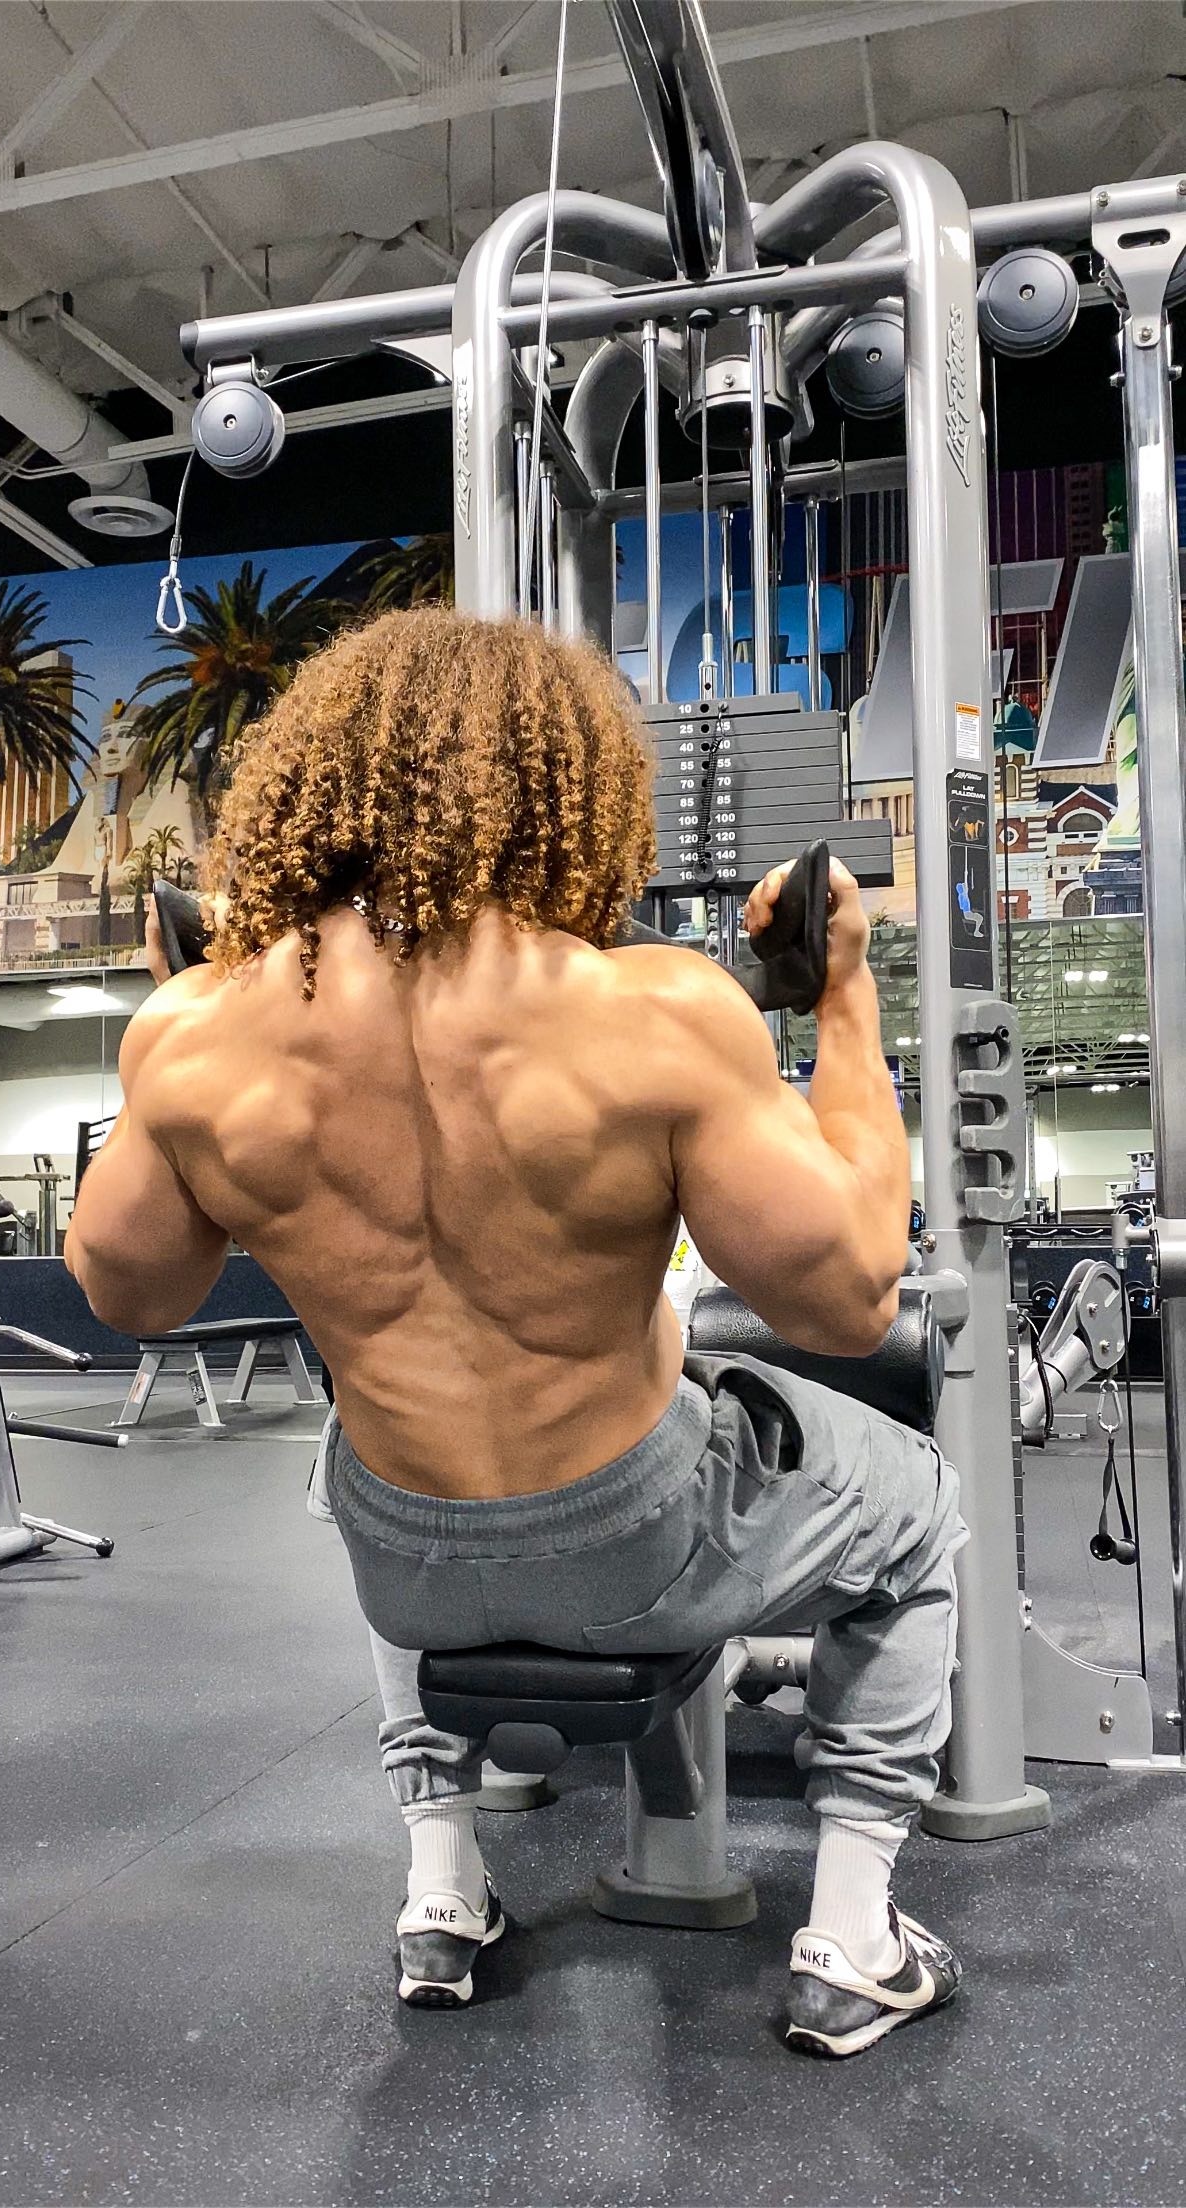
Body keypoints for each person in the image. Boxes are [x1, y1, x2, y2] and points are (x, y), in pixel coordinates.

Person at [66, 607, 965, 2059]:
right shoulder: (656, 1012)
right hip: (638, 1541)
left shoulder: (191, 1035)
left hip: (406, 1563)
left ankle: (441, 1882)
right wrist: (846, 998)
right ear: (563, 788)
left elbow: (130, 1298)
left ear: (310, 789)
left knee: (364, 1449)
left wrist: (177, 1050)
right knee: (919, 1506)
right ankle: (855, 1935)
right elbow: (850, 1299)